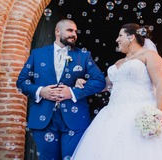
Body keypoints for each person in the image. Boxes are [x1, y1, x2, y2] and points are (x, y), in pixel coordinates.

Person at [71, 23, 162, 159]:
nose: (117, 40)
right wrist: (85, 83)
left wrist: (158, 114)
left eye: (120, 35)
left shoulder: (149, 56)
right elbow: (104, 85)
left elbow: (160, 84)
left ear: (131, 37)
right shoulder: (119, 62)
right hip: (113, 114)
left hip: (142, 111)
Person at [16, 19, 106, 160]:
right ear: (57, 31)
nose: (74, 34)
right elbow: (21, 81)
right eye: (70, 30)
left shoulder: (83, 56)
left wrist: (71, 92)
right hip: (44, 119)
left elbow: (99, 81)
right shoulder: (37, 54)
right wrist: (41, 91)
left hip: (74, 120)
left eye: (75, 31)